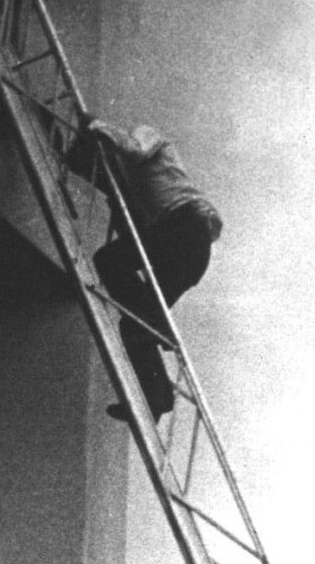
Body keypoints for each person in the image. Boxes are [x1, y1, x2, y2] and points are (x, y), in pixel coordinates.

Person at [66, 116, 221, 421]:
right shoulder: (132, 187)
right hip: (186, 251)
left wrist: (98, 126)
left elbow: (134, 148)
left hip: (184, 231)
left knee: (108, 261)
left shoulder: (147, 135)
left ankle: (156, 325)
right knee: (135, 325)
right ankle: (157, 397)